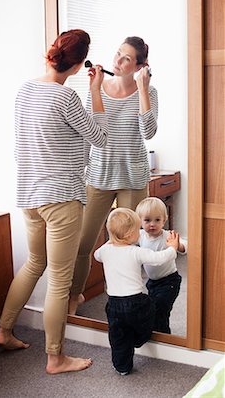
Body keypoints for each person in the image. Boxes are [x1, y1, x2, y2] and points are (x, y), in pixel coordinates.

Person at [0, 29, 108, 374]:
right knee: (60, 279)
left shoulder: (25, 90)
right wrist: (95, 90)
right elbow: (100, 137)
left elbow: (20, 144)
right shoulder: (66, 98)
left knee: (34, 263)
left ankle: (3, 330)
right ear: (76, 67)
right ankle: (56, 358)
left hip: (29, 194)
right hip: (60, 198)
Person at [69, 36, 158, 314]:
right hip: (99, 176)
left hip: (132, 177)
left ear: (140, 66)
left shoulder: (149, 92)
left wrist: (143, 89)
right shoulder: (98, 88)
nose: (117, 62)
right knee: (83, 242)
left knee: (129, 247)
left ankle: (129, 302)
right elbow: (90, 135)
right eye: (117, 54)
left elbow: (149, 133)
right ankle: (74, 296)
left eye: (126, 59)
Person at [94, 207, 178, 375]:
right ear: (129, 235)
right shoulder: (136, 251)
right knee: (150, 312)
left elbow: (96, 255)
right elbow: (159, 258)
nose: (140, 233)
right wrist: (172, 247)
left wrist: (110, 240)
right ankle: (140, 339)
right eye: (137, 230)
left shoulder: (104, 250)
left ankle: (122, 367)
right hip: (136, 302)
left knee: (117, 337)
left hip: (113, 304)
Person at [136, 197, 187, 334]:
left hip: (169, 281)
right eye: (147, 220)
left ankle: (164, 337)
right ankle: (156, 332)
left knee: (161, 310)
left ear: (164, 220)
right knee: (153, 309)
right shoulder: (140, 235)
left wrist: (177, 245)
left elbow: (185, 246)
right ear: (140, 221)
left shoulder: (167, 236)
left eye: (157, 220)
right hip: (152, 282)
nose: (152, 224)